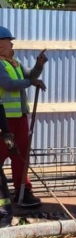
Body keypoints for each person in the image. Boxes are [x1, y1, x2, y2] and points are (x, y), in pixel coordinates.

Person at [0, 26, 47, 208]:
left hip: (19, 117)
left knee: (20, 155)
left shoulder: (14, 63)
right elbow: (9, 84)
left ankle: (23, 191)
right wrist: (31, 82)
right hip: (3, 119)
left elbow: (30, 76)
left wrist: (39, 65)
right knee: (2, 153)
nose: (12, 45)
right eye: (8, 41)